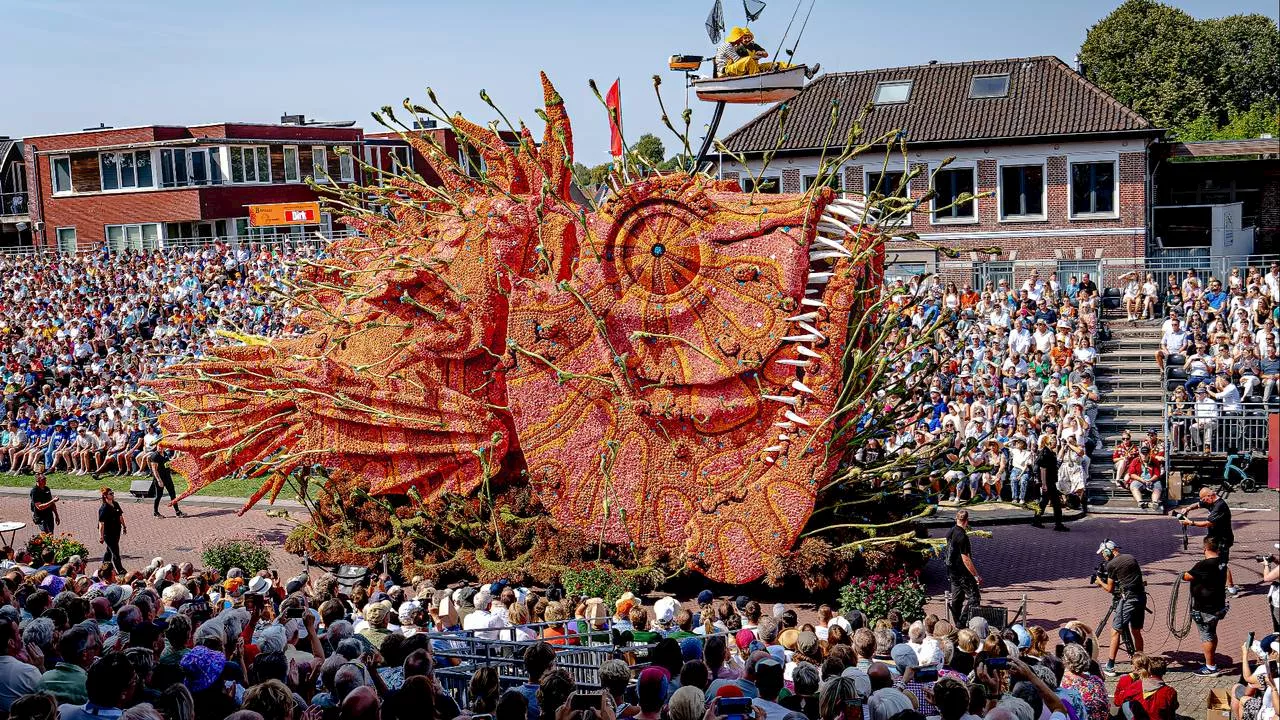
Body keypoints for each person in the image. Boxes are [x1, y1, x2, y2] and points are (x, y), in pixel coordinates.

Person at [1093, 541, 1145, 676]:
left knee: (1116, 630)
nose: (1103, 556)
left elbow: (1110, 588)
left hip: (1128, 599)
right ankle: (1141, 663)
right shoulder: (1130, 558)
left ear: (1108, 551)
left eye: (1103, 553)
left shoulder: (1111, 564)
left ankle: (1110, 665)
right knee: (1136, 631)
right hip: (1141, 596)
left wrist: (1099, 582)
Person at [1183, 536, 1229, 676]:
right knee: (1212, 633)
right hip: (1218, 605)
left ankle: (1210, 667)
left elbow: (1187, 576)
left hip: (1205, 608)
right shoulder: (1222, 563)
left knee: (1206, 635)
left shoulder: (1203, 565)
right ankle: (1211, 660)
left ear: (1205, 548)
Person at [1179, 487, 1237, 592]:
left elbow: (1208, 523)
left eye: (1204, 499)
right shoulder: (1209, 501)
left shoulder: (1220, 506)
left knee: (1221, 563)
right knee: (1212, 561)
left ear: (1210, 496)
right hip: (1213, 538)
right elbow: (1198, 504)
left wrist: (1191, 523)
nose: (1203, 502)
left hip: (1223, 539)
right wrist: (1187, 508)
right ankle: (1214, 581)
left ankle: (1231, 587)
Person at [714, 26, 818, 79]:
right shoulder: (736, 47)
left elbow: (765, 54)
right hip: (745, 72)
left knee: (777, 64)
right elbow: (740, 62)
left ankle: (805, 70)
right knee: (749, 60)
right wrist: (755, 56)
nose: (745, 39)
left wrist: (761, 54)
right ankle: (759, 79)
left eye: (747, 37)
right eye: (743, 37)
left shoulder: (753, 45)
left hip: (753, 68)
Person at [945, 510, 981, 625]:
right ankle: (962, 621)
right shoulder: (962, 536)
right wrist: (975, 575)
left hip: (952, 571)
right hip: (962, 573)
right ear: (967, 521)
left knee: (957, 598)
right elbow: (965, 558)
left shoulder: (950, 532)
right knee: (974, 597)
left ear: (956, 519)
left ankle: (957, 622)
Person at [1031, 435, 1068, 532]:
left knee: (1046, 502)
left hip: (1050, 481)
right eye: (1052, 440)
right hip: (1048, 482)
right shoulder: (1046, 453)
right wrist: (1044, 484)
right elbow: (1043, 469)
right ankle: (1057, 524)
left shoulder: (1050, 452)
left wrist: (1063, 449)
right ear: (1048, 442)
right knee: (1054, 503)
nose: (1055, 442)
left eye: (1055, 440)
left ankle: (1037, 520)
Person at [147, 452, 187, 519]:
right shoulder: (155, 456)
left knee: (172, 494)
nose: (160, 448)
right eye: (159, 446)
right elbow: (154, 470)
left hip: (167, 477)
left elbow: (167, 464)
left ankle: (177, 512)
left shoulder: (165, 453)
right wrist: (159, 481)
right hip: (160, 478)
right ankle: (155, 512)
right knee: (159, 495)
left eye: (162, 446)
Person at [97, 487, 127, 574]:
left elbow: (120, 516)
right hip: (108, 534)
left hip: (116, 531)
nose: (113, 495)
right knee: (115, 552)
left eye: (113, 493)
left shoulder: (116, 504)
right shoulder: (104, 508)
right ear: (105, 496)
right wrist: (101, 536)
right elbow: (101, 524)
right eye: (110, 494)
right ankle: (120, 570)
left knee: (109, 551)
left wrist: (124, 526)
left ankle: (104, 567)